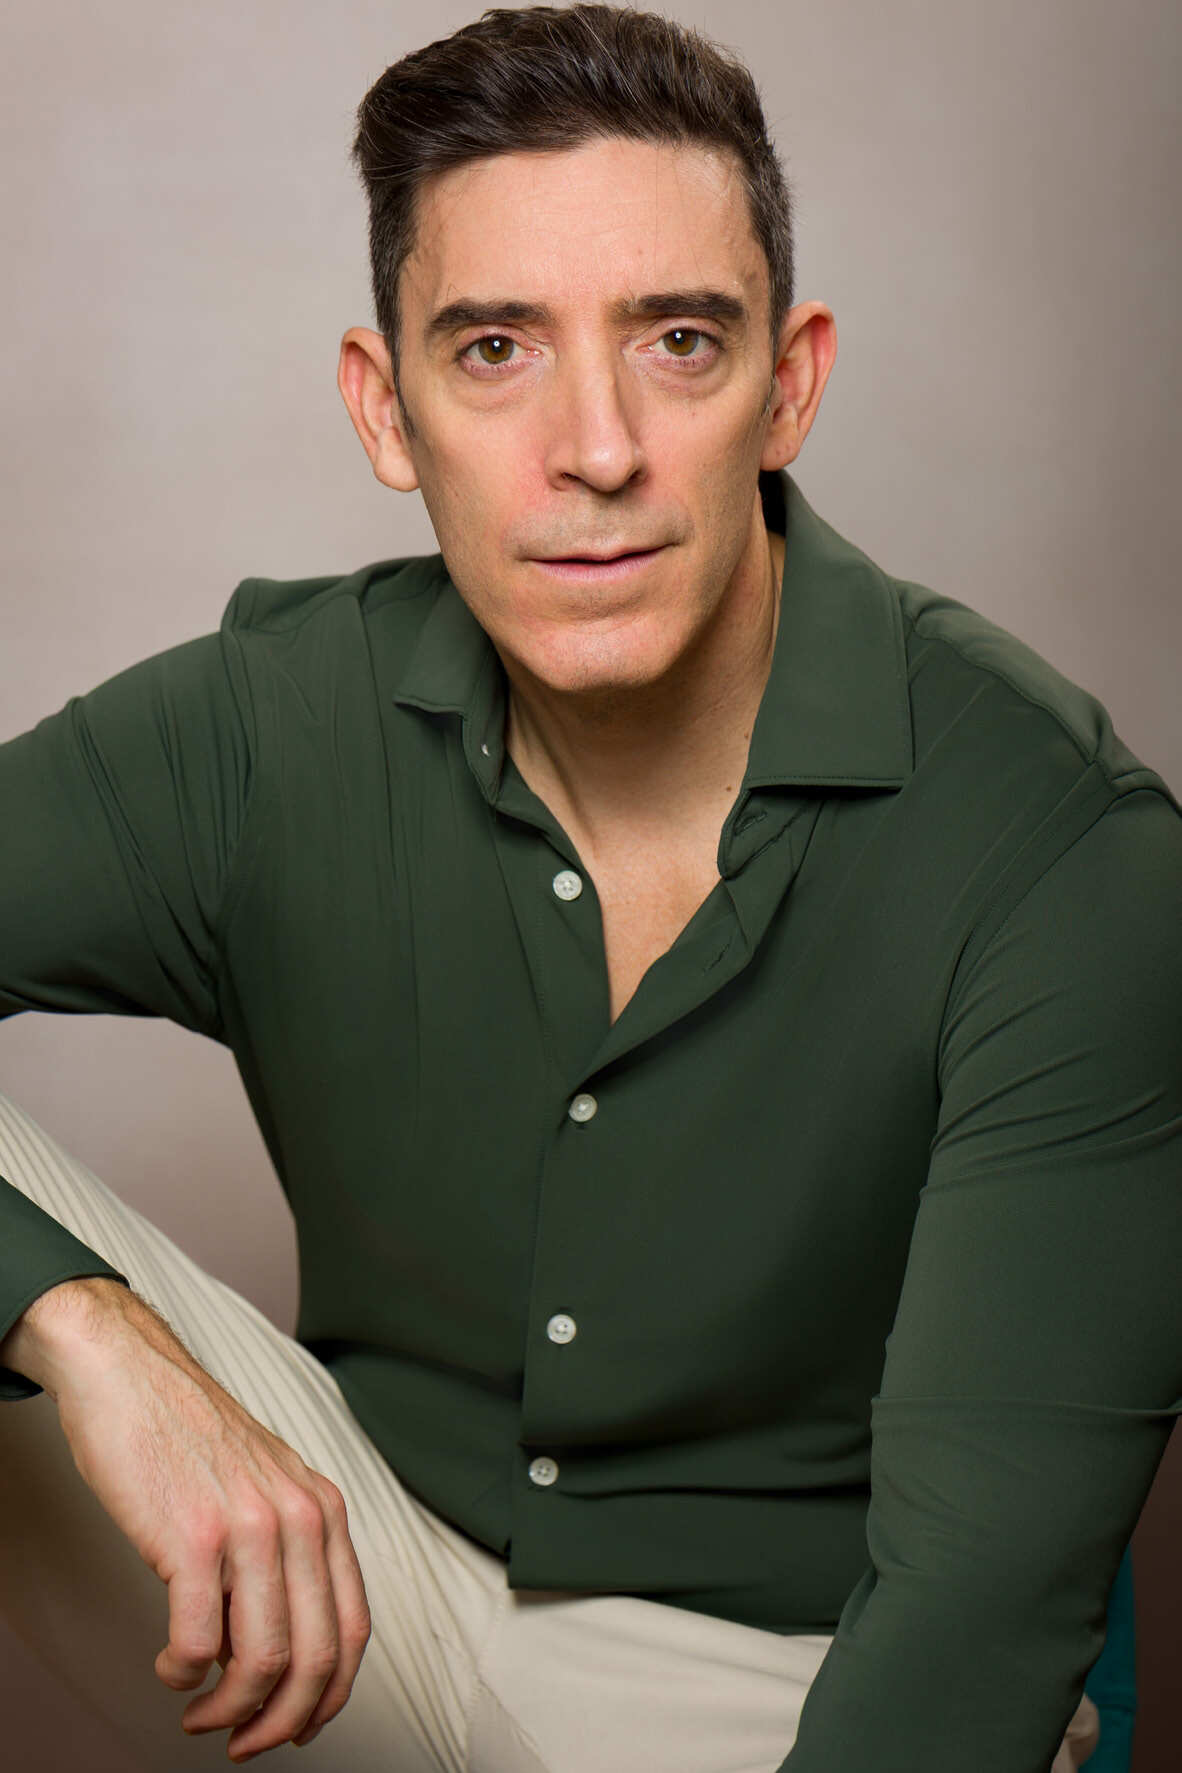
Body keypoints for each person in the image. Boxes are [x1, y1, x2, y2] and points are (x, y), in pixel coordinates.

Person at [0, 4, 1177, 1769]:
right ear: (384, 408)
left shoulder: (1060, 850)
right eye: (494, 350)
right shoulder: (269, 728)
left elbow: (976, 1614)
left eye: (677, 341)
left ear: (787, 384)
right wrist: (76, 1326)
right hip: (362, 1598)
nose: (596, 446)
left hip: (793, 1680)